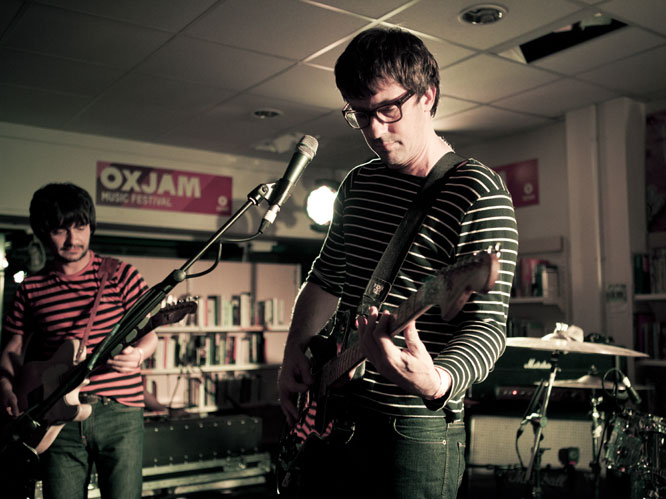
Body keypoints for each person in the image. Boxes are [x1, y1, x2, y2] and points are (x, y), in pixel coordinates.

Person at [278, 27, 519, 499]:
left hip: (415, 427)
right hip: (339, 408)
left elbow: (488, 328)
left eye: (388, 109)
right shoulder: (358, 184)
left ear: (427, 96)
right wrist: (294, 352)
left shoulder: (477, 192)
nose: (374, 130)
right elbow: (325, 280)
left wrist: (439, 380)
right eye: (360, 114)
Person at [0, 182, 156, 499]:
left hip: (120, 413)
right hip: (57, 417)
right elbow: (11, 349)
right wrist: (4, 386)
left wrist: (138, 355)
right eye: (60, 230)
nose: (73, 239)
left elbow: (149, 334)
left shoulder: (121, 275)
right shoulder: (30, 289)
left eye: (80, 227)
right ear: (43, 232)